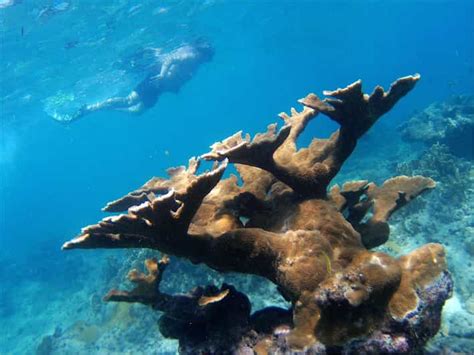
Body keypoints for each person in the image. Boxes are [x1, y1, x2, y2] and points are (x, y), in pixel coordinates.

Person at [53, 40, 214, 123]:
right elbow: (170, 59)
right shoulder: (191, 56)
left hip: (160, 88)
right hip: (156, 81)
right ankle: (87, 109)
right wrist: (162, 75)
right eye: (207, 56)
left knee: (136, 111)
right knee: (129, 100)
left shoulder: (195, 60)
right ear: (203, 53)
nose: (206, 59)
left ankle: (104, 107)